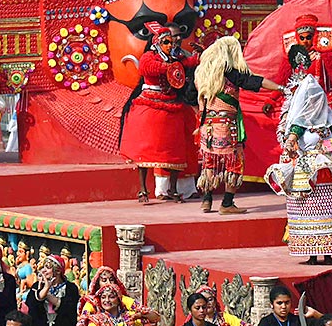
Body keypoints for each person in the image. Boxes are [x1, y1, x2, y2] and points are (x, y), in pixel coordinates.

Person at [266, 77, 332, 265]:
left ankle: (328, 252)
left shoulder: (329, 124)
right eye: (312, 100)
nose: (316, 104)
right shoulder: (300, 124)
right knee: (309, 211)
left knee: (330, 209)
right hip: (307, 171)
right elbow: (291, 140)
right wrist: (289, 146)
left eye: (319, 100)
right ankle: (311, 254)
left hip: (328, 169)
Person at [194, 36, 281, 214]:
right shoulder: (230, 72)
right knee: (234, 161)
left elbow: (188, 96)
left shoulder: (200, 74)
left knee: (210, 162)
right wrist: (280, 88)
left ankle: (207, 200)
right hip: (227, 126)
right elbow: (254, 81)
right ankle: (227, 203)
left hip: (207, 126)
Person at [119, 22, 199, 204]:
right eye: (166, 43)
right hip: (150, 104)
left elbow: (187, 63)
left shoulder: (173, 58)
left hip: (170, 105)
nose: (170, 45)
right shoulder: (150, 56)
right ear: (157, 43)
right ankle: (143, 189)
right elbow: (145, 68)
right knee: (145, 149)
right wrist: (168, 68)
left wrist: (199, 56)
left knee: (177, 148)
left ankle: (172, 189)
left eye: (171, 42)